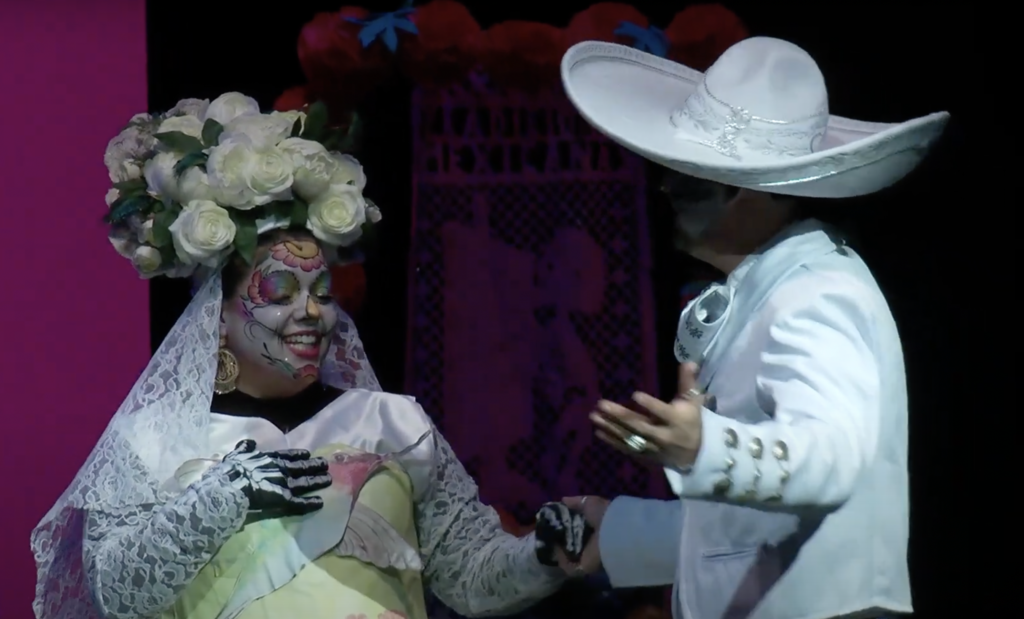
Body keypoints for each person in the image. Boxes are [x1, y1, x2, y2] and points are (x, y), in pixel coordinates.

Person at [29, 93, 586, 619]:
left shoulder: (391, 424)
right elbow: (117, 592)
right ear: (216, 318)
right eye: (280, 293)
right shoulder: (156, 439)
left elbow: (470, 574)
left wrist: (541, 552)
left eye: (321, 293)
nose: (311, 312)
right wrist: (224, 496)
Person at [549, 37, 950, 618]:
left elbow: (831, 457)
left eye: (685, 177)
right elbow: (758, 531)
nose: (664, 190)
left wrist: (705, 447)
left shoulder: (816, 294)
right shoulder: (776, 290)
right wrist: (618, 532)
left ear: (737, 191)